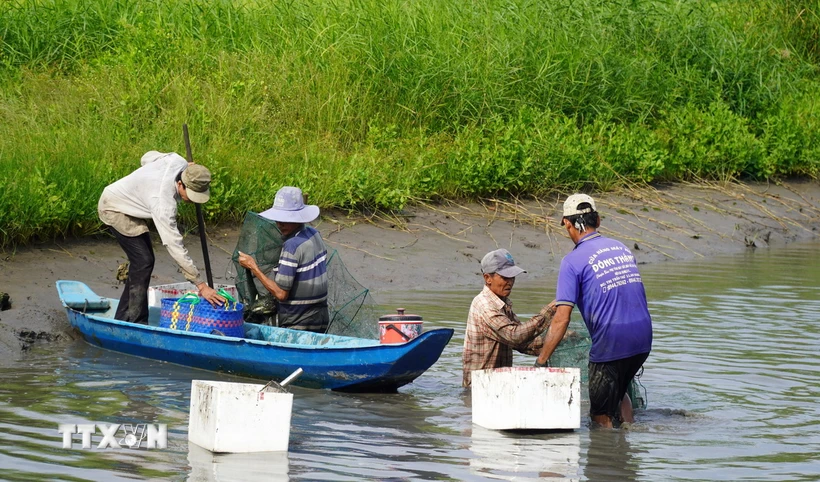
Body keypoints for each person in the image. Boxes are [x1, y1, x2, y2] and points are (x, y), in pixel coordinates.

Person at [535, 194, 653, 428]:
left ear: (568, 224)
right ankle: (629, 439)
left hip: (612, 341)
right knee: (618, 390)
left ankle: (607, 449)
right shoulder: (621, 248)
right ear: (597, 220)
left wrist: (541, 360)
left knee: (600, 417)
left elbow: (562, 318)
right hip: (643, 338)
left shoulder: (572, 261)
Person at [97, 151, 225, 324]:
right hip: (114, 207)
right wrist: (200, 284)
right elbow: (174, 245)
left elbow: (146, 157)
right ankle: (133, 320)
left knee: (142, 262)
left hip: (133, 203)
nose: (192, 201)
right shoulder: (163, 204)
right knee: (143, 261)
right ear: (180, 183)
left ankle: (127, 315)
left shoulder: (177, 161)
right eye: (191, 195)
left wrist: (186, 168)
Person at [237, 186, 330, 333]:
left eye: (286, 220)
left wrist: (253, 267)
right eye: (278, 219)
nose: (280, 224)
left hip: (299, 321)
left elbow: (281, 294)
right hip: (321, 316)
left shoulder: (291, 246)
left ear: (298, 218)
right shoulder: (314, 233)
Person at [462, 248, 556, 387]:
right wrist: (552, 309)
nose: (510, 282)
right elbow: (515, 336)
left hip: (496, 384)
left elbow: (524, 343)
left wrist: (556, 341)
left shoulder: (502, 303)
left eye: (512, 277)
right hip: (479, 388)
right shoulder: (485, 305)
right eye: (505, 277)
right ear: (488, 278)